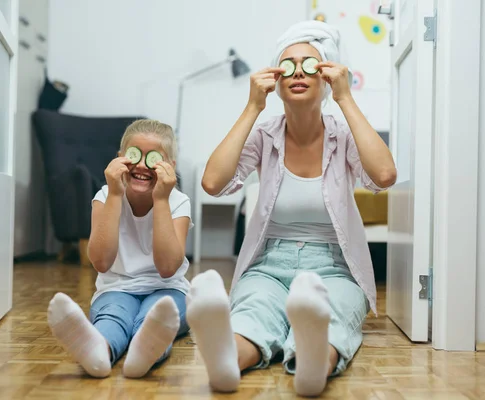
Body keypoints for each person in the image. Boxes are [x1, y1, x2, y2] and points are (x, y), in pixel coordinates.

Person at [185, 20, 397, 396]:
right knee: (252, 316)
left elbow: (383, 175)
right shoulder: (265, 134)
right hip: (268, 264)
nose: (298, 72)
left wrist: (346, 98)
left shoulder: (342, 133)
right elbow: (213, 183)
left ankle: (314, 363)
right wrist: (253, 106)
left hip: (334, 267)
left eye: (310, 65)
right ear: (276, 80)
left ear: (326, 78)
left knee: (331, 319)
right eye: (288, 65)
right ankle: (226, 362)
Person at [46, 119, 192, 378]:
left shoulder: (178, 202)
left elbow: (168, 268)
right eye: (134, 155)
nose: (141, 164)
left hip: (167, 289)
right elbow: (101, 262)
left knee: (157, 318)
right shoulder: (105, 196)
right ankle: (98, 351)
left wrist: (161, 199)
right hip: (116, 288)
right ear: (119, 159)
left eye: (154, 158)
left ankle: (144, 354)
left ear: (170, 167)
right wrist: (115, 194)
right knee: (113, 317)